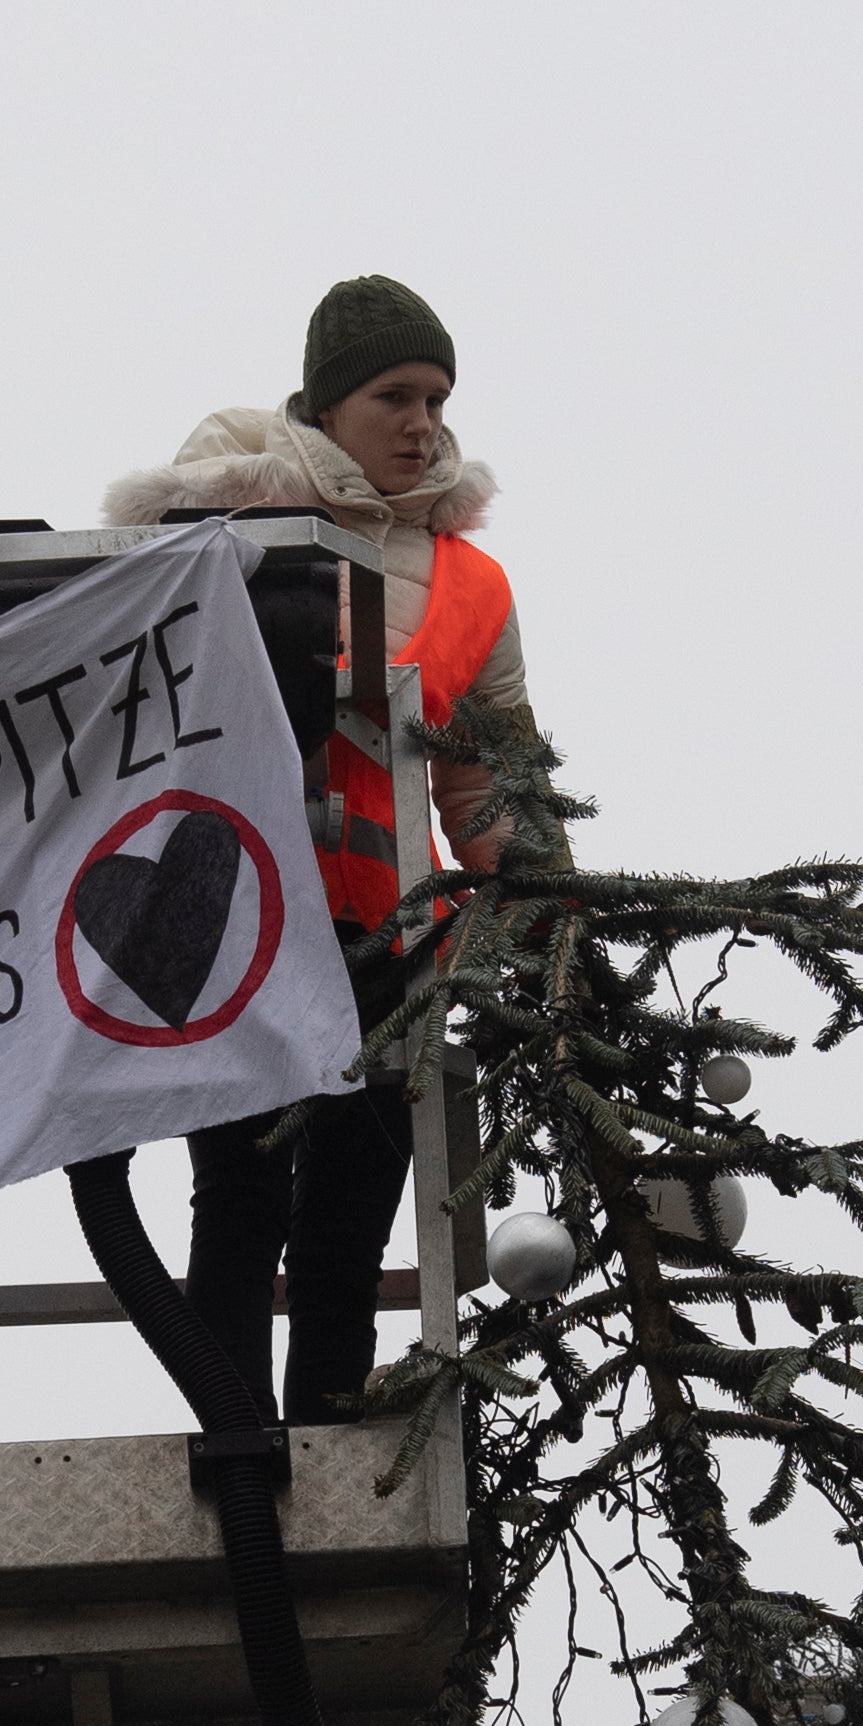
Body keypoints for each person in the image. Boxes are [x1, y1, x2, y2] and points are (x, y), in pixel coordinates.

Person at [96, 273, 556, 1424]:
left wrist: (544, 893)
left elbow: (482, 776)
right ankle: (234, 1436)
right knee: (239, 1193)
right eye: (395, 395)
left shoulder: (473, 581)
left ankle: (332, 1424)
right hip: (237, 912)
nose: (423, 424)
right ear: (327, 403)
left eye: (438, 398)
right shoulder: (210, 527)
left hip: (386, 929)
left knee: (357, 1197)